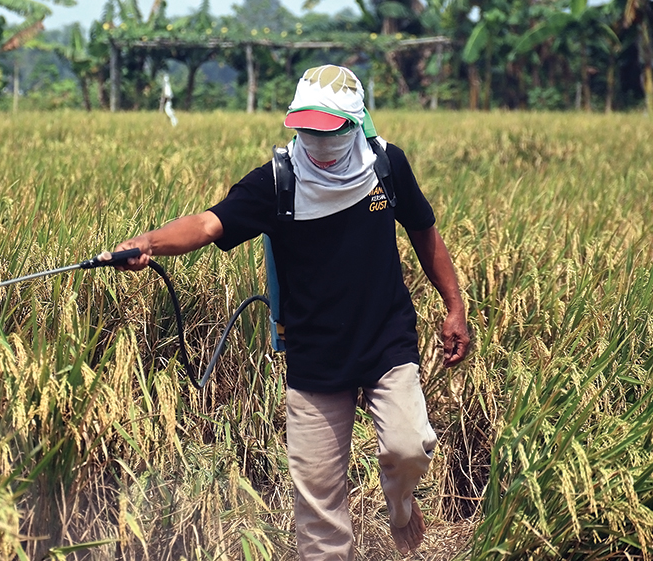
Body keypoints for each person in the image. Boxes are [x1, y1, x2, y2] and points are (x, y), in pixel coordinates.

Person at [109, 65, 470, 559]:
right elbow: (209, 223)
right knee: (318, 506)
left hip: (386, 339)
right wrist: (148, 242)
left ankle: (402, 506)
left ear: (354, 123)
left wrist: (455, 304)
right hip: (314, 354)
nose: (316, 142)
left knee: (407, 447)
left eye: (328, 130)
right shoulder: (277, 183)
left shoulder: (385, 166)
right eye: (306, 129)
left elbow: (424, 231)